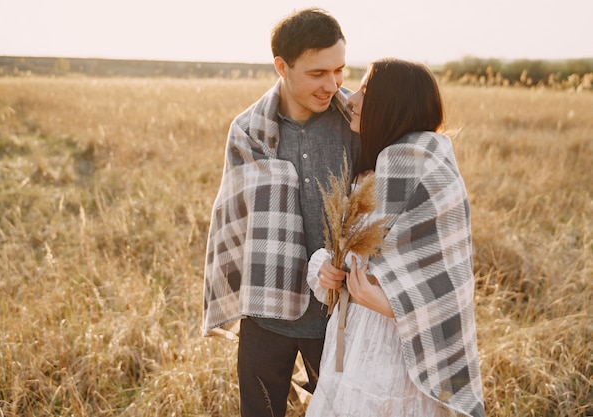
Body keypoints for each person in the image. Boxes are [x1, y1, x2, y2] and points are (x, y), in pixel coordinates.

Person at [202, 8, 360, 417]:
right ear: (282, 67)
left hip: (338, 316)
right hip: (266, 313)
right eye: (317, 73)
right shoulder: (248, 131)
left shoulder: (356, 125)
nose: (333, 84)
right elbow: (233, 222)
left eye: (339, 69)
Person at [306, 58, 485, 416]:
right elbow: (354, 255)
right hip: (353, 344)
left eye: (366, 91)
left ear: (394, 105)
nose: (351, 99)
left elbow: (450, 284)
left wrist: (387, 304)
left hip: (398, 358)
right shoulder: (375, 170)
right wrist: (325, 267)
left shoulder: (425, 171)